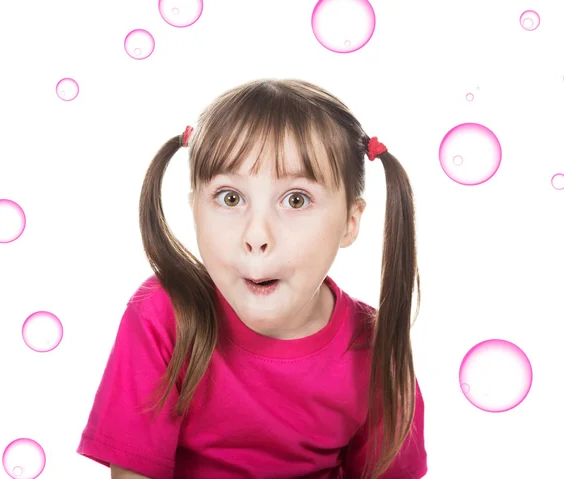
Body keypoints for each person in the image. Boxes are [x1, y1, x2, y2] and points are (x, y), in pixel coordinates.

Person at [76, 78, 427, 479]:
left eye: (296, 200)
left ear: (350, 222)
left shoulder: (375, 351)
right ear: (194, 210)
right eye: (230, 198)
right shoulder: (164, 315)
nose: (257, 236)